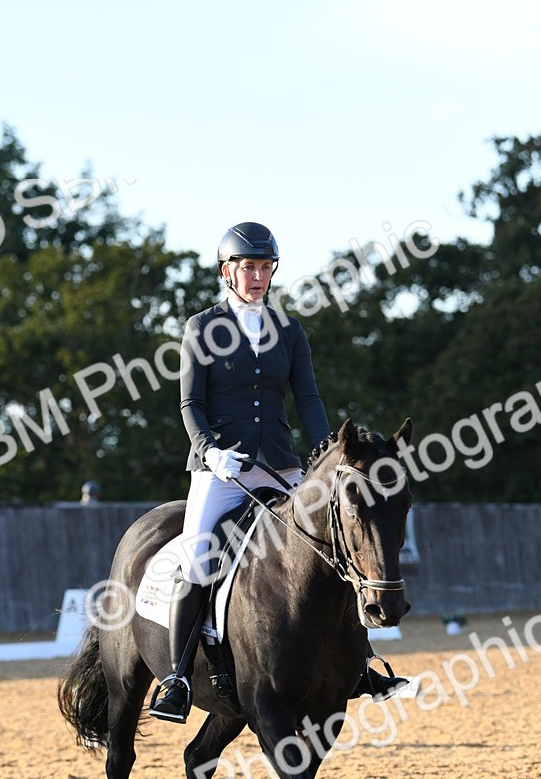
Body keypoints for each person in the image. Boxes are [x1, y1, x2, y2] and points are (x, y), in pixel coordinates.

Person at [149, 221, 404, 723]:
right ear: (228, 271)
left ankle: (364, 662)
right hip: (222, 469)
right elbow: (189, 403)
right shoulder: (201, 328)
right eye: (249, 268)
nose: (259, 277)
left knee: (331, 548)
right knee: (199, 555)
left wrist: (332, 453)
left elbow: (307, 398)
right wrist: (209, 450)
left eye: (266, 268)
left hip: (281, 464)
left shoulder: (289, 330)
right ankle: (177, 678)